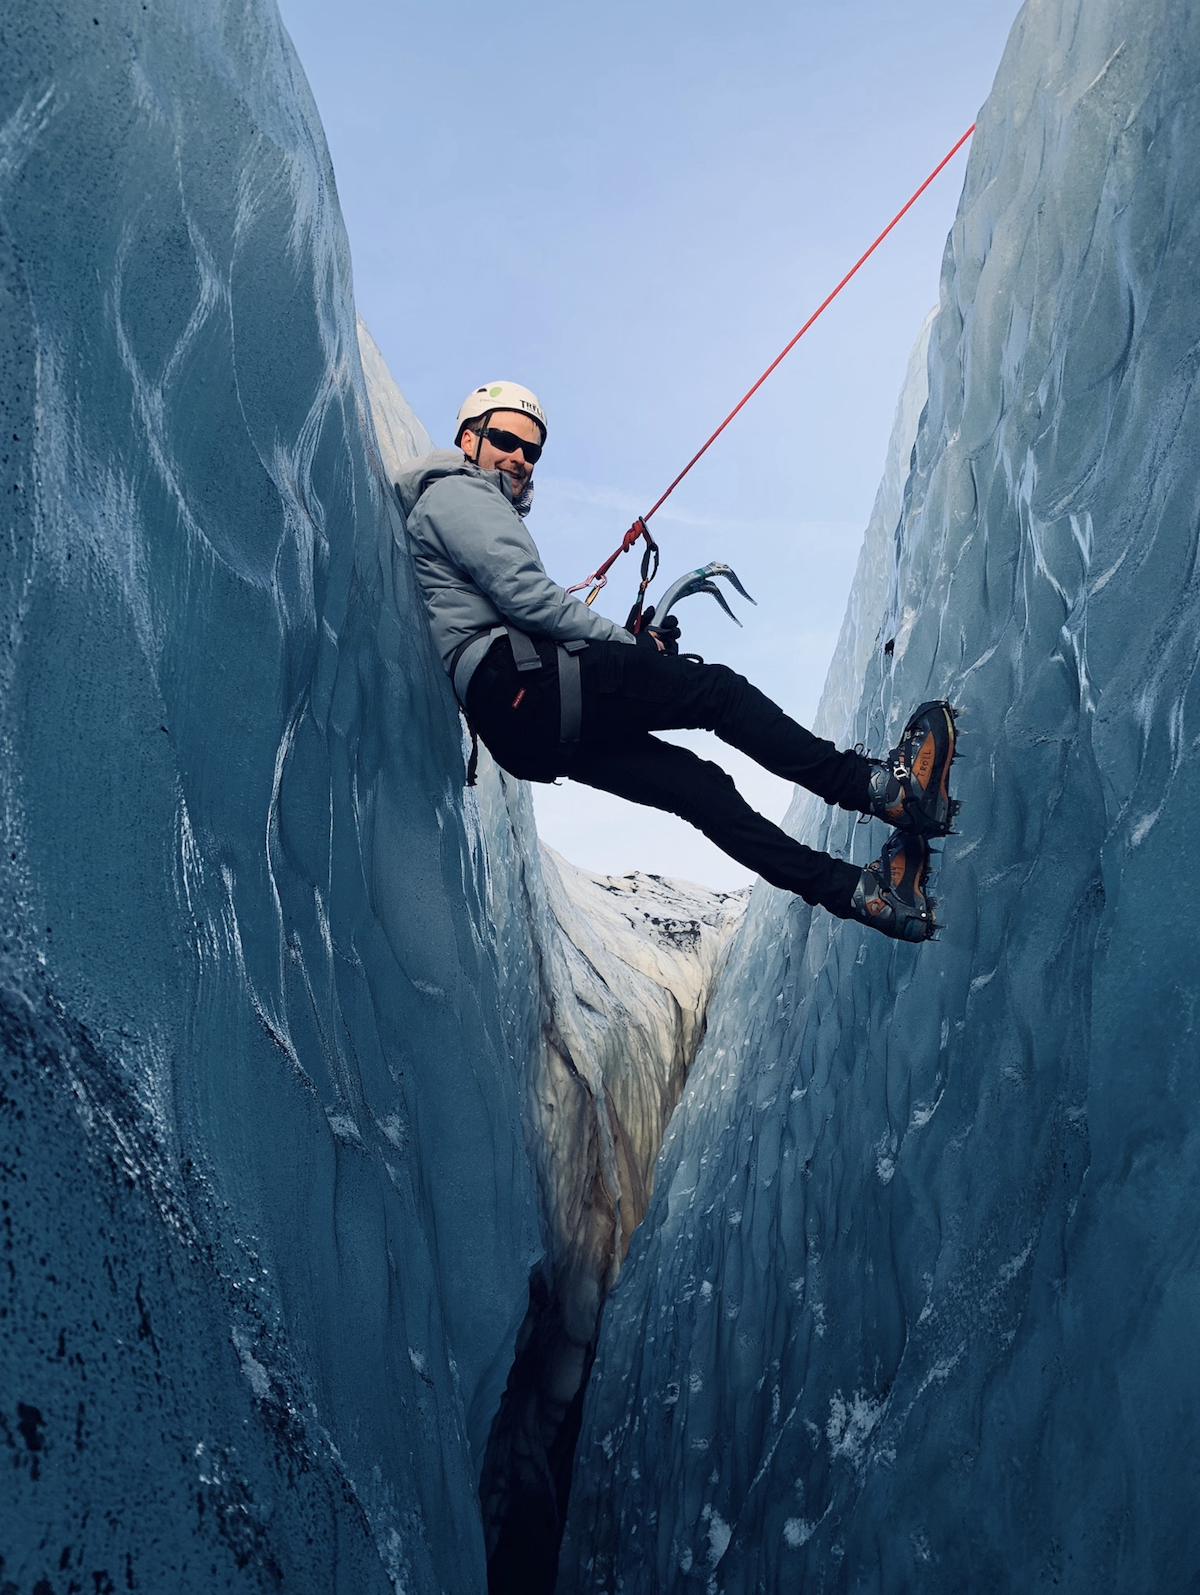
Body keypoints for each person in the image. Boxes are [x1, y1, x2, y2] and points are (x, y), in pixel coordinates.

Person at [396, 382, 956, 942]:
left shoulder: (460, 508)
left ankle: (864, 895)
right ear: (468, 438)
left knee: (699, 789)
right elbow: (526, 597)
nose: (520, 458)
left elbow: (518, 612)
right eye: (504, 439)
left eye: (532, 450)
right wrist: (629, 646)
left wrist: (629, 647)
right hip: (527, 686)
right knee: (718, 694)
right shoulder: (457, 493)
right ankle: (883, 789)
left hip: (521, 723)